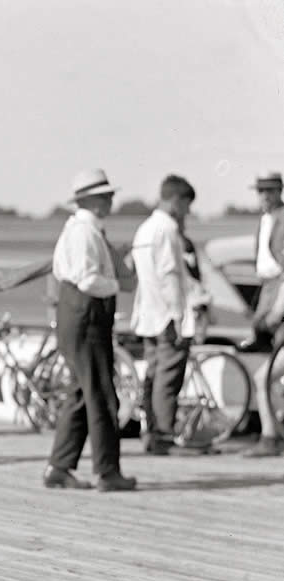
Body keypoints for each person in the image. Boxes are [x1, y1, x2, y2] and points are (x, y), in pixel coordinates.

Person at [43, 169, 136, 492]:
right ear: (94, 200)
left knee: (82, 393)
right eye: (107, 195)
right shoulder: (86, 232)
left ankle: (59, 466)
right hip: (87, 317)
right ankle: (106, 470)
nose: (111, 200)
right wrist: (116, 285)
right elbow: (88, 279)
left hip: (75, 316)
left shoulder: (75, 229)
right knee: (100, 394)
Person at [129, 175, 198, 455]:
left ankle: (152, 432)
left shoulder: (144, 229)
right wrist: (180, 317)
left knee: (154, 375)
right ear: (176, 200)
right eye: (186, 204)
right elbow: (170, 275)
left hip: (147, 315)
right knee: (168, 379)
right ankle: (164, 436)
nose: (188, 212)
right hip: (167, 315)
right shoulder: (168, 229)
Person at [241, 172, 284, 457]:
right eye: (260, 191)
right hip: (269, 290)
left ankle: (271, 436)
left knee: (265, 375)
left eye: (269, 191)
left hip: (278, 291)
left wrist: (275, 312)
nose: (264, 196)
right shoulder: (266, 221)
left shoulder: (281, 219)